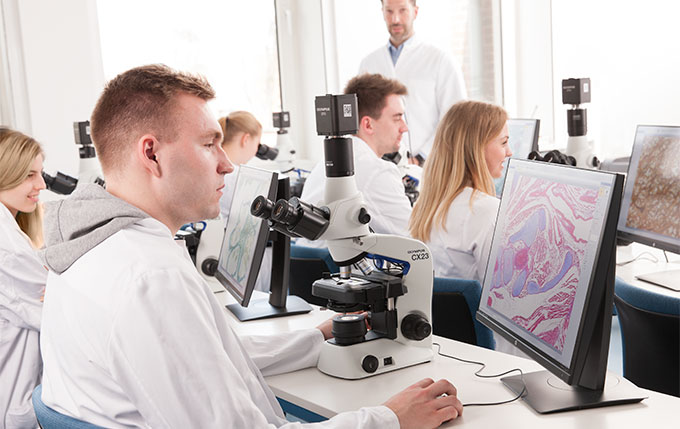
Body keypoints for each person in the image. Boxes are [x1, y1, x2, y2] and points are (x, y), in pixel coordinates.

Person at [38, 64, 463, 428]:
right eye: (209, 144)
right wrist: (390, 419)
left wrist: (313, 338)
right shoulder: (152, 278)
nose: (226, 164)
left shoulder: (91, 248)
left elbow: (210, 355)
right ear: (151, 154)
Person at [299, 73, 413, 247]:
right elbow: (414, 239)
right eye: (397, 118)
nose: (404, 128)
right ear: (368, 125)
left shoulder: (328, 162)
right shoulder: (377, 172)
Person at [409, 100, 511, 284]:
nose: (509, 152)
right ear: (476, 148)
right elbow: (503, 290)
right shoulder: (486, 211)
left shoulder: (426, 206)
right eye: (503, 143)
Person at [359, 0, 467, 164]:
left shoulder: (440, 60)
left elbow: (456, 117)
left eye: (402, 10)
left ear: (415, 12)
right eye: (389, 11)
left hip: (428, 164)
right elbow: (362, 118)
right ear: (382, 12)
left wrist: (421, 157)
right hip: (380, 166)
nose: (395, 19)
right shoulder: (369, 63)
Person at [0, 127, 48, 428]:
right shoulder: (9, 250)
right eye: (29, 175)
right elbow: (57, 311)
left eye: (40, 173)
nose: (41, 184)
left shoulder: (11, 232)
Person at [217, 111, 262, 220]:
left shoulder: (212, 168)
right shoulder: (239, 178)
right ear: (246, 139)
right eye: (258, 144)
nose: (257, 150)